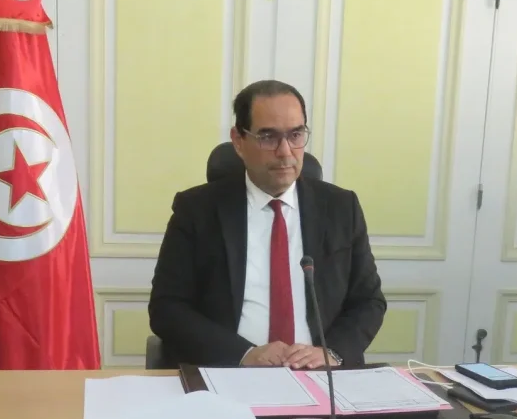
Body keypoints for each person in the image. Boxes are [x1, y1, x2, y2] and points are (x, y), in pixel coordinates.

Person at [148, 79, 387, 369]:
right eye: (268, 137)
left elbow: (369, 301)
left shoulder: (340, 207)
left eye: (296, 135)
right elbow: (167, 307)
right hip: (229, 372)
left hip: (320, 375)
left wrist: (332, 352)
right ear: (239, 141)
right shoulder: (197, 210)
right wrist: (243, 354)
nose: (285, 151)